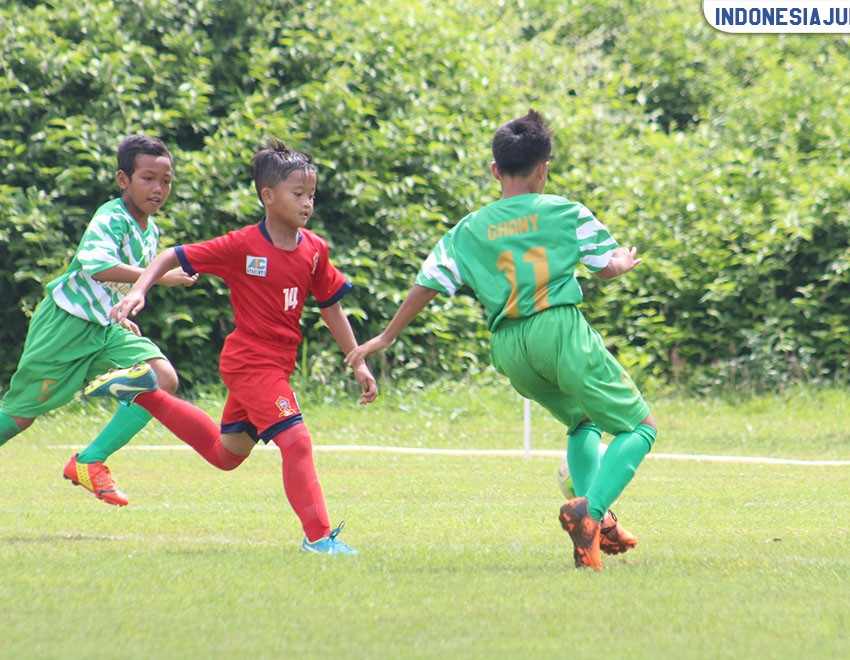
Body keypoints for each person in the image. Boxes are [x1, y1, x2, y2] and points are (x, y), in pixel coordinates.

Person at [346, 110, 657, 571]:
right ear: (544, 168)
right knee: (640, 427)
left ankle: (600, 524)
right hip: (558, 330)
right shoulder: (566, 212)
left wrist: (386, 337)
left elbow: (428, 282)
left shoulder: (469, 229)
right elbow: (605, 266)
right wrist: (623, 263)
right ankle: (588, 513)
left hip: (510, 348)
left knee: (583, 424)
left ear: (495, 170)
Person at [87, 139, 377, 554]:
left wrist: (358, 361)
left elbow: (330, 305)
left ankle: (143, 392)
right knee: (296, 441)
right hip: (250, 363)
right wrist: (138, 291)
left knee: (226, 454)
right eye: (298, 194)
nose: (307, 203)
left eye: (311, 195)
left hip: (277, 365)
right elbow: (171, 256)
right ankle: (318, 539)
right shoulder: (241, 245)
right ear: (268, 195)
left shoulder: (314, 250)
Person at [0, 135, 196, 506]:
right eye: (148, 178)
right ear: (124, 180)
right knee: (21, 415)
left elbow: (114, 286)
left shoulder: (149, 230)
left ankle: (90, 461)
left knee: (162, 378)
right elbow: (100, 266)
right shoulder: (111, 216)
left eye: (166, 181)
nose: (158, 189)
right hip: (65, 326)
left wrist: (120, 316)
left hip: (104, 329)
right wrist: (159, 276)